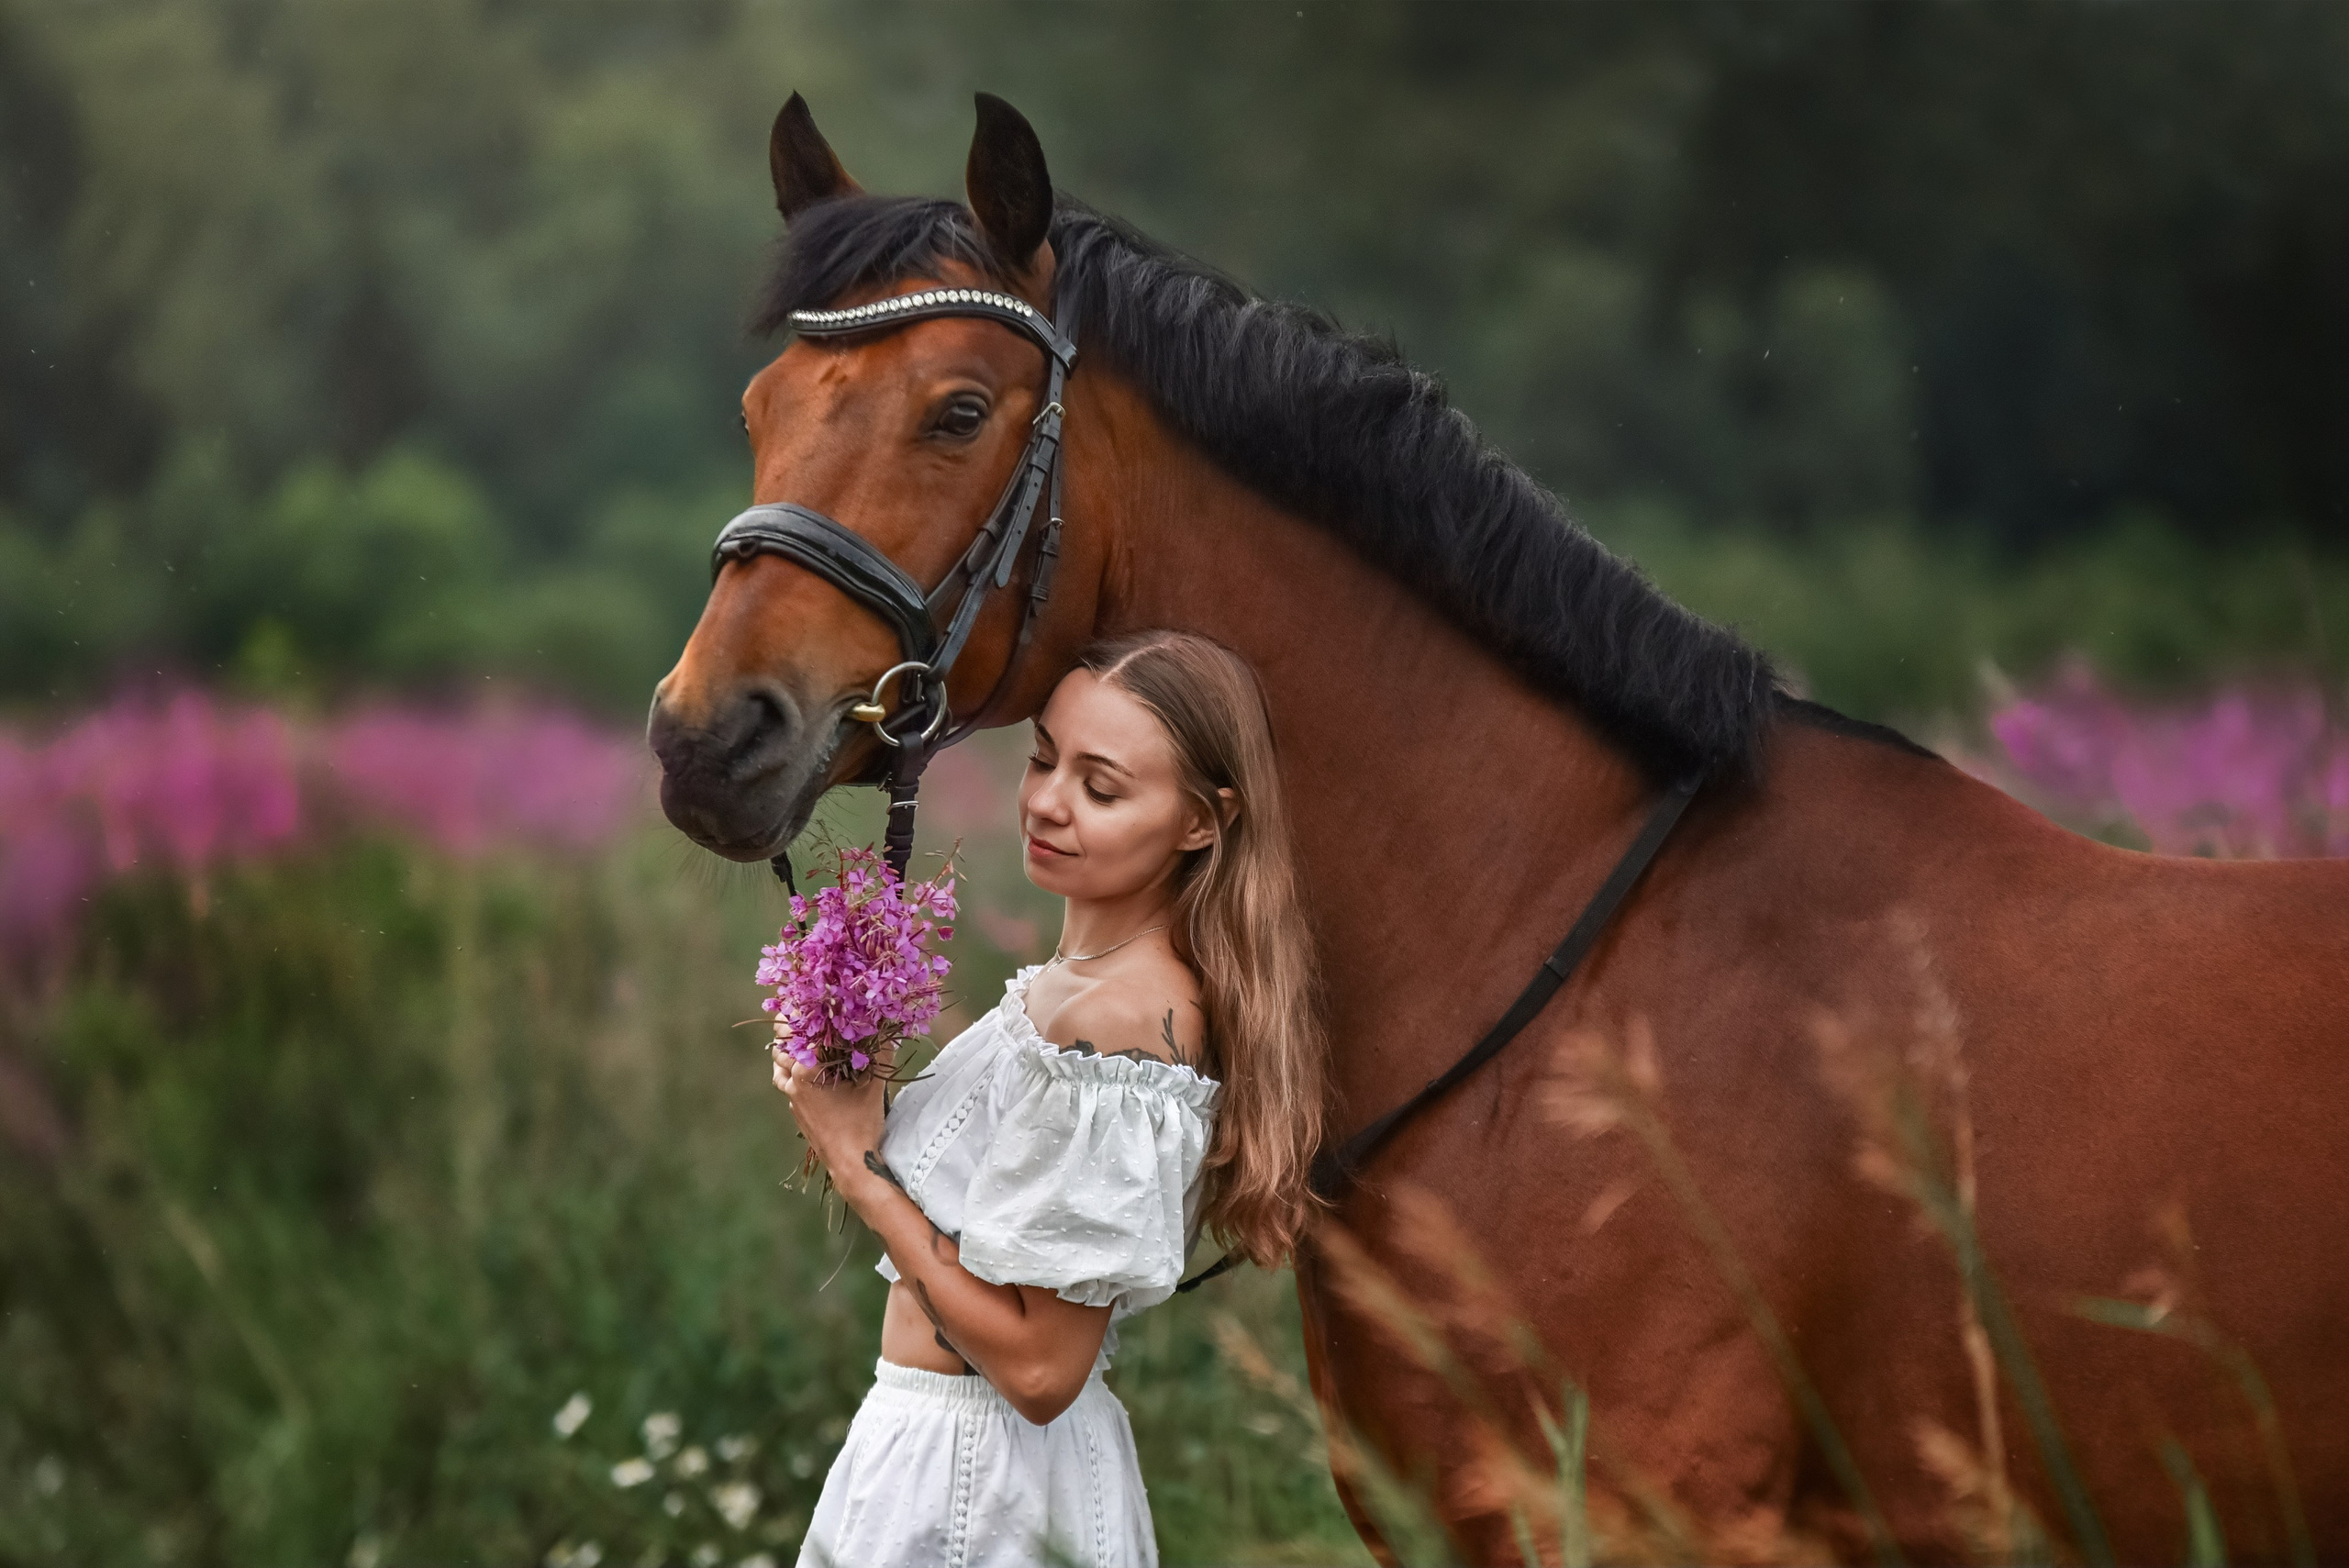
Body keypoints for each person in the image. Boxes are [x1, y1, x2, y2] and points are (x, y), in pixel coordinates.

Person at [775, 629, 1327, 1568]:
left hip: (984, 1487)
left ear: (1204, 821)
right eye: (1042, 757)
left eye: (1100, 787)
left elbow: (1039, 1369)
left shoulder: (1117, 1021)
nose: (1047, 801)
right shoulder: (1068, 989)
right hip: (933, 1455)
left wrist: (857, 1163)